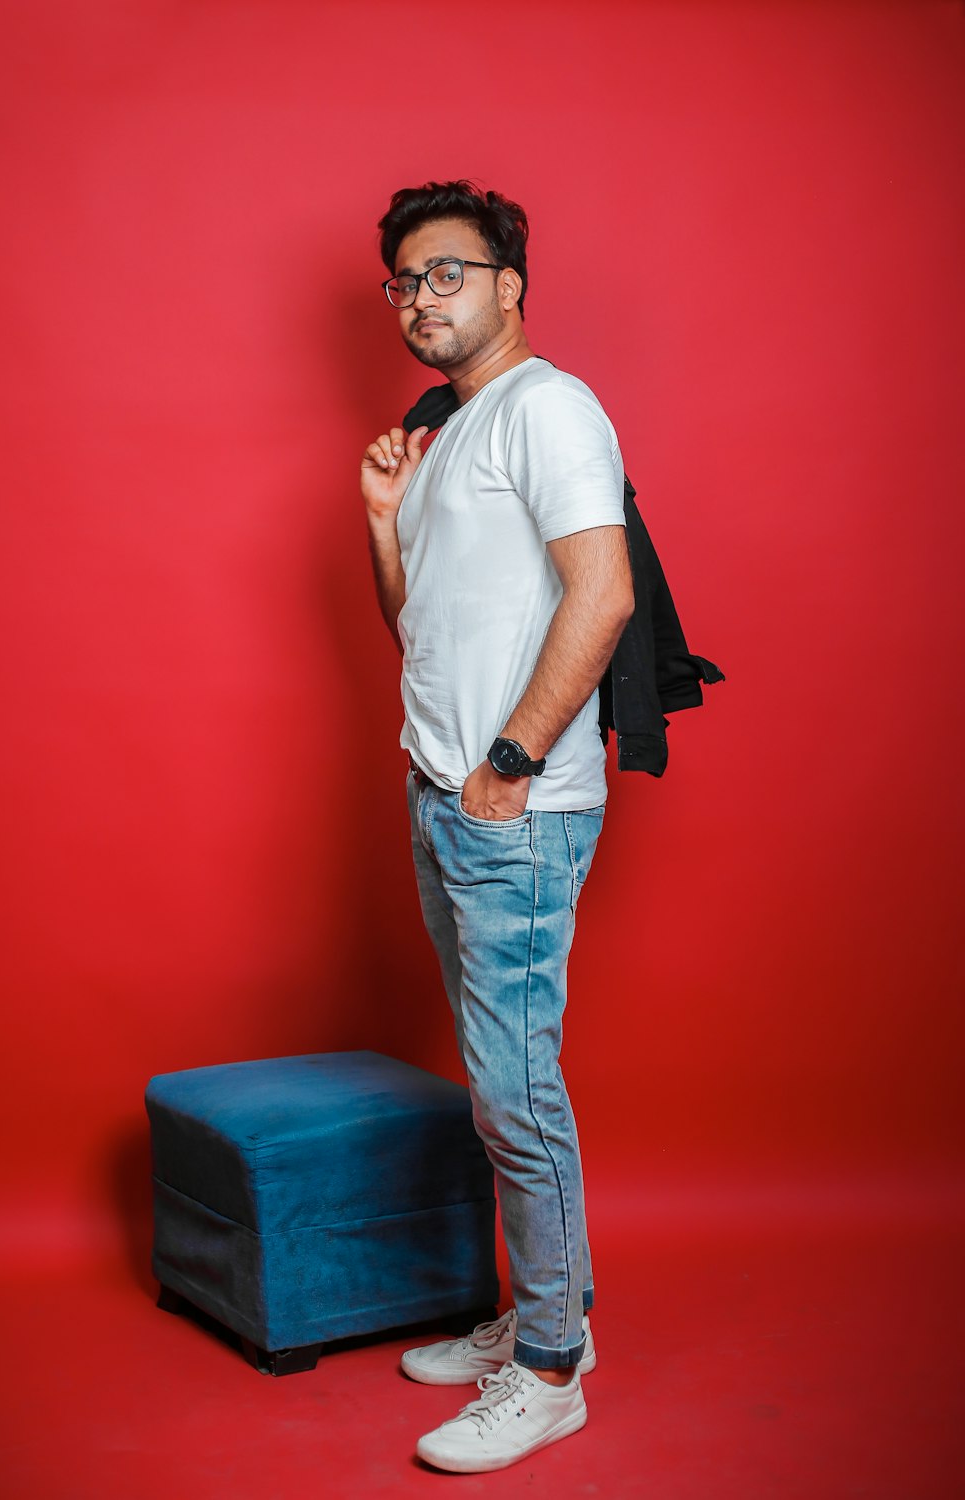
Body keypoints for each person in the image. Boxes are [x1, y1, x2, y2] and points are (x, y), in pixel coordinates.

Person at [359, 180, 635, 1474]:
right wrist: (380, 521)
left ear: (510, 284)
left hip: (509, 810)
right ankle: (533, 1312)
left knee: (517, 1096)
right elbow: (417, 627)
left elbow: (606, 589)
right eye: (406, 283)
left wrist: (513, 760)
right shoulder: (440, 437)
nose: (424, 300)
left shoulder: (549, 407)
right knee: (495, 1087)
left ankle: (551, 1370)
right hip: (440, 798)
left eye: (448, 274)